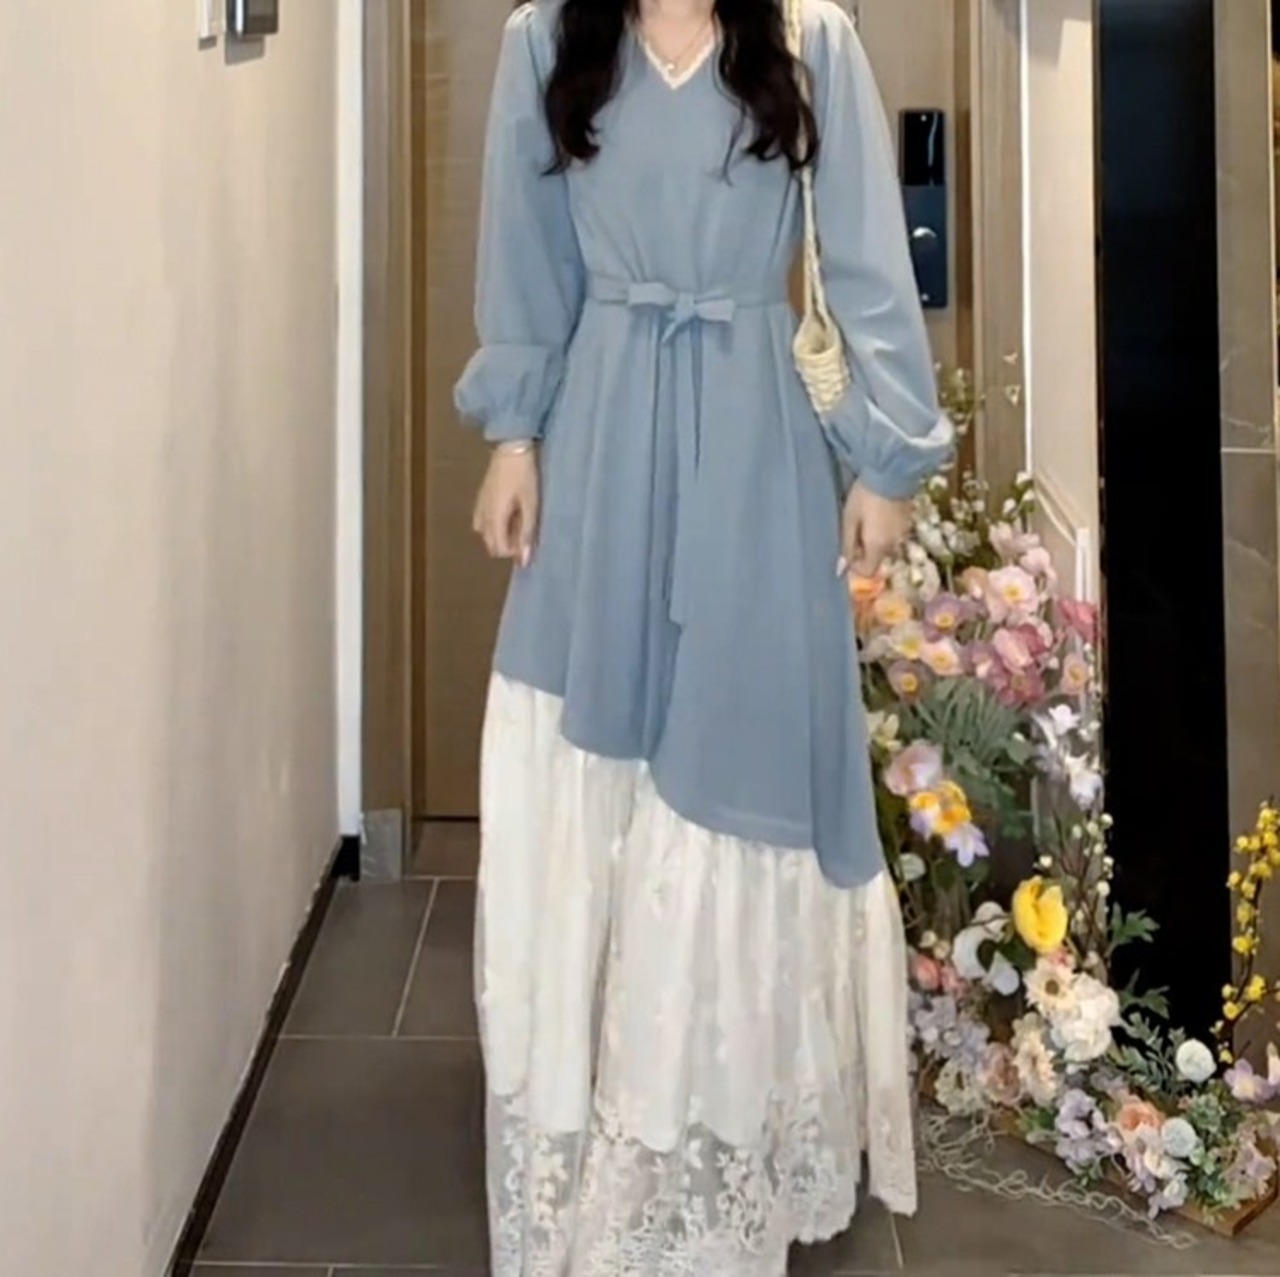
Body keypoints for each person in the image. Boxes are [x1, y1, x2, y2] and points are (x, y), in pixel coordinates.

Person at [455, 1, 952, 1273]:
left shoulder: (807, 37)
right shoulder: (543, 40)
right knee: (593, 758)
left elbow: (861, 259)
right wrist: (513, 435)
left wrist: (884, 457)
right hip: (601, 433)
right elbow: (524, 253)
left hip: (753, 433)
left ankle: (713, 1135)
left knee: (737, 759)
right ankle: (594, 1128)